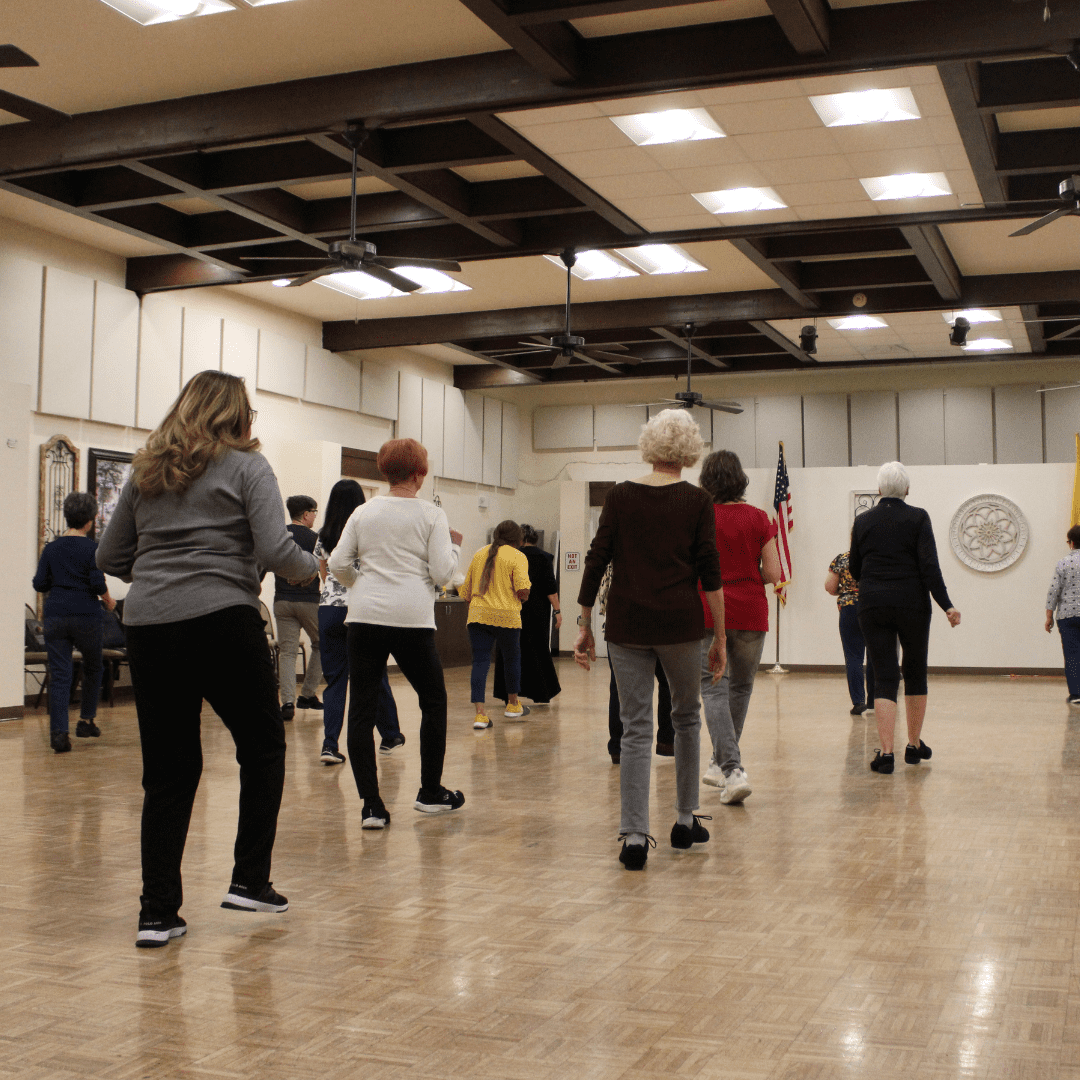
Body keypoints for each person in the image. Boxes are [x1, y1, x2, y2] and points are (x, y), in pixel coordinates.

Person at [97, 370, 318, 949]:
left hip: (148, 625)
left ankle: (157, 913)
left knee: (168, 769)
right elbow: (276, 550)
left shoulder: (147, 470)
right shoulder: (248, 466)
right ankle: (249, 880)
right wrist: (312, 567)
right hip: (223, 620)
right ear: (237, 415)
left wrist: (156, 576)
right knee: (264, 746)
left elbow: (109, 554)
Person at [574, 409, 726, 871]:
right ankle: (684, 820)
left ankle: (635, 835)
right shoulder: (698, 501)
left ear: (649, 446)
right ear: (690, 450)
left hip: (627, 625)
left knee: (635, 727)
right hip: (681, 625)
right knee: (685, 718)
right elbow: (710, 573)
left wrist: (583, 622)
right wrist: (718, 634)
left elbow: (597, 558)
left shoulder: (620, 497)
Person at [328, 438, 465, 828]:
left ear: (384, 472)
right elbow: (442, 574)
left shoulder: (363, 512)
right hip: (412, 620)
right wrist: (455, 547)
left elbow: (338, 563)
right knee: (433, 700)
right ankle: (430, 791)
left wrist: (361, 583)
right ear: (420, 474)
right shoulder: (431, 515)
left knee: (362, 708)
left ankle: (371, 805)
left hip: (364, 618)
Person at [849, 461, 961, 774]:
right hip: (913, 604)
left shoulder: (863, 521)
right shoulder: (918, 517)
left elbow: (855, 569)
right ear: (907, 490)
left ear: (880, 490)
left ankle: (886, 754)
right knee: (914, 671)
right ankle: (913, 745)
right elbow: (929, 567)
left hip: (872, 604)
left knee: (884, 675)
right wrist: (947, 605)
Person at [697, 450, 781, 805]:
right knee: (740, 689)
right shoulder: (759, 518)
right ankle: (722, 765)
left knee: (714, 689)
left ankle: (728, 767)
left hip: (707, 611)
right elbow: (774, 574)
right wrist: (747, 577)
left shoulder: (700, 518)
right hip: (751, 611)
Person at [313, 480, 405, 766]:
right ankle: (389, 734)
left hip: (329, 609)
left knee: (335, 680)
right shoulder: (368, 530)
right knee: (375, 674)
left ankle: (329, 745)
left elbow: (324, 575)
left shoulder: (323, 536)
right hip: (362, 610)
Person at [32, 491, 116, 754]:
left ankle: (59, 734)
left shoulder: (51, 548)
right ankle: (85, 721)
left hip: (55, 615)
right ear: (90, 520)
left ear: (67, 517)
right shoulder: (93, 548)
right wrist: (109, 601)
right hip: (86, 615)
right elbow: (97, 583)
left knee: (59, 674)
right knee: (93, 667)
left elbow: (39, 583)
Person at [596, 564, 677, 764]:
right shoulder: (660, 551)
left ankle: (618, 747)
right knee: (668, 681)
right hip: (659, 621)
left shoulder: (614, 553)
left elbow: (602, 592)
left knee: (619, 687)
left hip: (620, 623)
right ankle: (667, 741)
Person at [462, 520, 532, 728]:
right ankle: (512, 705)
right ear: (517, 539)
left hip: (478, 615)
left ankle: (480, 715)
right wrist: (523, 597)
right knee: (511, 659)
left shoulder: (479, 553)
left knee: (480, 662)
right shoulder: (518, 556)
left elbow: (466, 592)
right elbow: (522, 590)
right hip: (507, 616)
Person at [493, 524, 562, 708]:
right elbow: (550, 589)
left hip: (511, 609)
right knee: (537, 650)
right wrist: (557, 611)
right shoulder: (544, 558)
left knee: (509, 650)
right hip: (537, 611)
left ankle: (507, 693)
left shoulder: (508, 557)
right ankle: (541, 692)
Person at [274, 494, 323, 720]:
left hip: (282, 601)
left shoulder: (279, 535)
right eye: (314, 512)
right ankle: (308, 694)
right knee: (323, 643)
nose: (315, 516)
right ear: (305, 514)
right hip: (308, 601)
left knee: (287, 653)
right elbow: (322, 568)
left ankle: (287, 703)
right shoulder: (315, 539)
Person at [826, 550, 876, 715]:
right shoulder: (877, 557)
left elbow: (829, 586)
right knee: (874, 656)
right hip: (874, 608)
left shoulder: (842, 559)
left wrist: (844, 592)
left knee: (853, 656)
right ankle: (874, 701)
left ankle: (858, 702)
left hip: (849, 609)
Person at [1045, 525, 1080, 706]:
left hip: (1068, 616)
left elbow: (1054, 591)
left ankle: (1076, 694)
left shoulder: (1063, 563)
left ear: (1071, 543)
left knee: (1072, 654)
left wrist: (1049, 616)